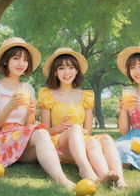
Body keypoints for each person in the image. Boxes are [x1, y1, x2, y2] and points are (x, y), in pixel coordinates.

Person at [0, 37, 74, 188]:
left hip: (20, 139)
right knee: (42, 135)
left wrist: (32, 113)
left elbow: (29, 126)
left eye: (25, 59)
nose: (21, 63)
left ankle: (70, 174)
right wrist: (10, 107)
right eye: (16, 58)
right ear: (6, 61)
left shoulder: (27, 89)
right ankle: (62, 180)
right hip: (0, 139)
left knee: (44, 135)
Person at [39, 48, 127, 188]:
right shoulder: (47, 95)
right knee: (75, 129)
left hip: (80, 141)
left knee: (104, 139)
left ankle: (115, 178)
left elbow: (88, 132)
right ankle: (85, 169)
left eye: (71, 67)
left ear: (76, 71)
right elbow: (43, 132)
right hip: (59, 143)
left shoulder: (86, 96)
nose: (67, 72)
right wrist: (58, 128)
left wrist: (81, 133)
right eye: (61, 68)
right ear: (55, 72)